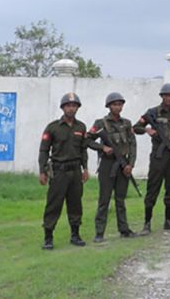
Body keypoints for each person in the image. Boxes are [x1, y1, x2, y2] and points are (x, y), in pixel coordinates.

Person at [38, 93, 98, 249]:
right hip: (58, 172)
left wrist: (85, 168)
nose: (71, 108)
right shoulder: (53, 127)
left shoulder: (81, 127)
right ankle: (48, 237)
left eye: (74, 106)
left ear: (77, 108)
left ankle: (75, 235)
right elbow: (44, 150)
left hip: (75, 172)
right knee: (53, 204)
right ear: (63, 108)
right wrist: (42, 171)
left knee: (75, 204)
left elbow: (83, 149)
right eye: (68, 106)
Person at [133, 83, 170, 234]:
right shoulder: (152, 112)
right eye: (166, 95)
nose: (169, 98)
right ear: (162, 96)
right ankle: (147, 223)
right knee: (153, 188)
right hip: (158, 155)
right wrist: (147, 129)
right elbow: (135, 127)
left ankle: (168, 221)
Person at [87, 92, 138, 242]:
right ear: (109, 106)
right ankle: (99, 232)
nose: (118, 107)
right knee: (104, 199)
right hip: (107, 165)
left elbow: (133, 144)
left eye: (120, 104)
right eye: (115, 104)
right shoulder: (100, 123)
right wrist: (102, 148)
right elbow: (87, 140)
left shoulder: (127, 123)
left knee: (120, 199)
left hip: (123, 164)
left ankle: (124, 229)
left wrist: (131, 164)